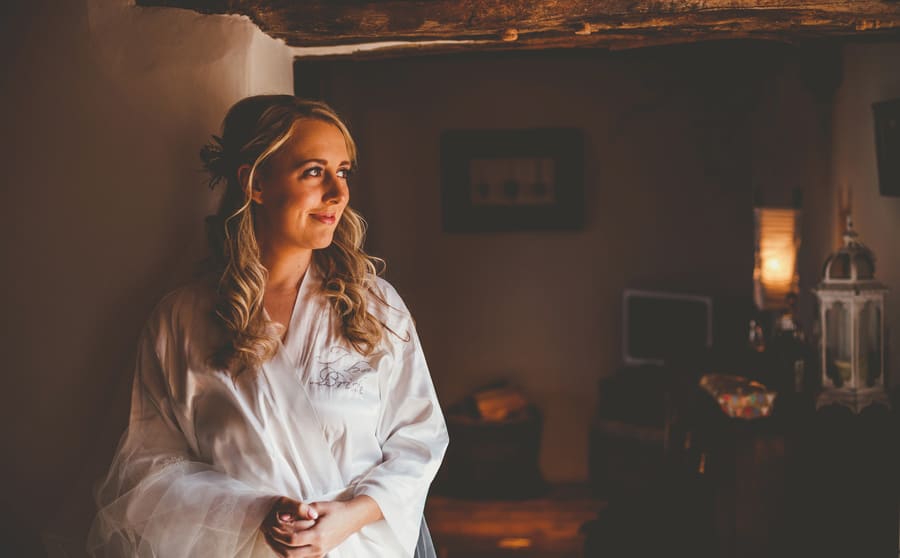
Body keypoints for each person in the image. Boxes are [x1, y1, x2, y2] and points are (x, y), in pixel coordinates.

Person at [87, 95, 449, 558]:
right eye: (315, 171)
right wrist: (257, 509)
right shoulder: (181, 319)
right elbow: (149, 466)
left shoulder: (375, 307)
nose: (338, 194)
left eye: (343, 172)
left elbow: (420, 438)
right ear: (255, 182)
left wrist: (351, 515)